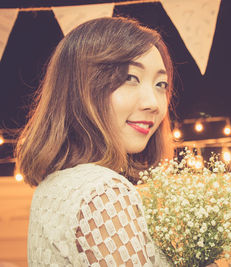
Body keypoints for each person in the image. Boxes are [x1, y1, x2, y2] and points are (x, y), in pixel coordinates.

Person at [15, 16, 217, 267]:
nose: (153, 104)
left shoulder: (54, 186)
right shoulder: (104, 193)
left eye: (161, 84)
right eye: (131, 78)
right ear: (82, 87)